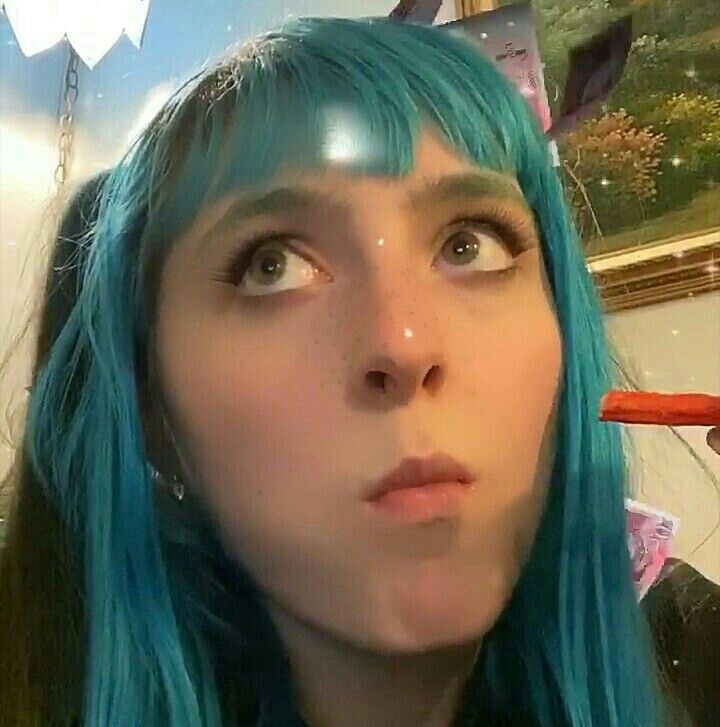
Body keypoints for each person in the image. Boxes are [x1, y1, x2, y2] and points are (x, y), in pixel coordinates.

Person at [0, 16, 718, 727]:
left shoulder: (693, 650)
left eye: (468, 244)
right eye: (271, 266)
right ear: (150, 407)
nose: (403, 344)